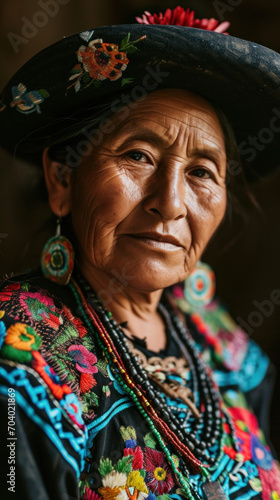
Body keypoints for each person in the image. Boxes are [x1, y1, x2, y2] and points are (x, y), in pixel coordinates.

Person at [0, 5, 280, 500]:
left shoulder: (218, 341)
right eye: (138, 156)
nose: (170, 203)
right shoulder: (16, 345)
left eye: (201, 172)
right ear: (62, 179)